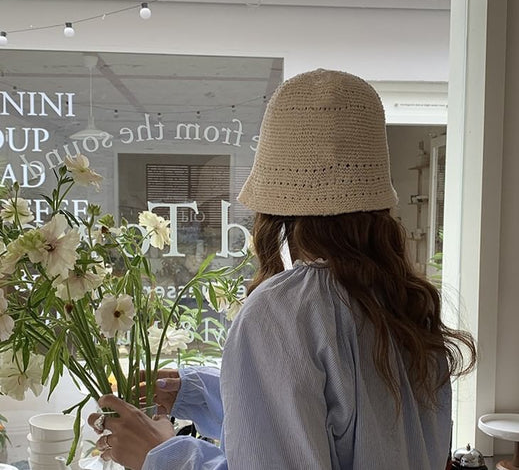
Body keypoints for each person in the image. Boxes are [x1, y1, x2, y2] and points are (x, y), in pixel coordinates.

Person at [89, 69, 476, 470]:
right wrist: (193, 392)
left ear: (271, 208)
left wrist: (160, 455)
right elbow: (333, 424)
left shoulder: (282, 312)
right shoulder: (403, 304)